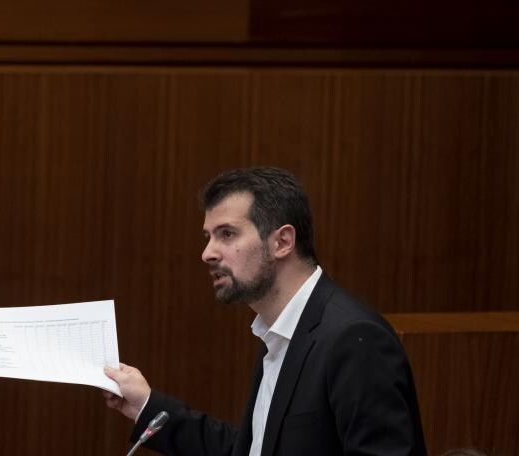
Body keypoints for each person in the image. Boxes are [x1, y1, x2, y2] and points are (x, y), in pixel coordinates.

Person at [103, 167, 426, 455]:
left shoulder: (353, 337)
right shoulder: (279, 332)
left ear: (282, 242)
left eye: (226, 234)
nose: (207, 253)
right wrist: (145, 405)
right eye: (208, 237)